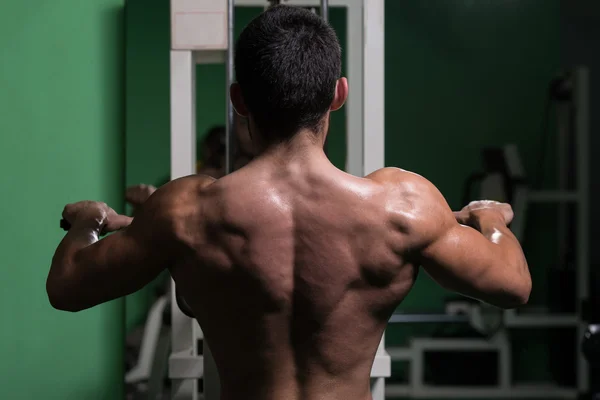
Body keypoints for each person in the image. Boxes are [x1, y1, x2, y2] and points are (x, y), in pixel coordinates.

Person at [47, 6, 531, 400]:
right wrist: (490, 215)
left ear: (239, 100)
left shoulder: (186, 213)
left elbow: (67, 288)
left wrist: (88, 222)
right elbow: (512, 285)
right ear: (338, 95)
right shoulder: (403, 206)